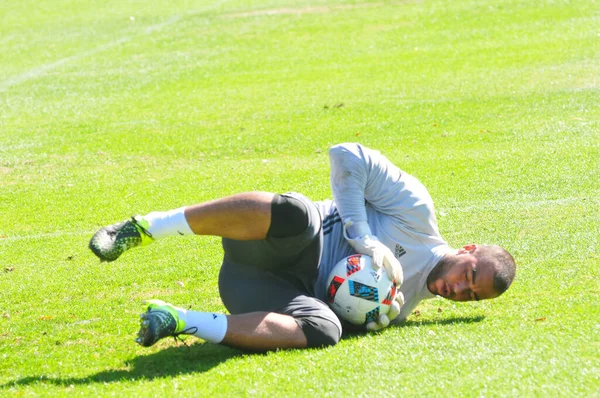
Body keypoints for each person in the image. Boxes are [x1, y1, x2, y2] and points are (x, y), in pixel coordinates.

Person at [89, 143, 516, 351]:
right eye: (470, 276)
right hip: (269, 243)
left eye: (469, 296)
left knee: (324, 332)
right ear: (468, 248)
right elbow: (346, 155)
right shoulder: (416, 213)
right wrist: (362, 235)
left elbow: (334, 319)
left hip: (256, 290)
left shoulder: (399, 307)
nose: (459, 289)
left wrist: (361, 320)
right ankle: (144, 228)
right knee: (299, 213)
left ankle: (177, 320)